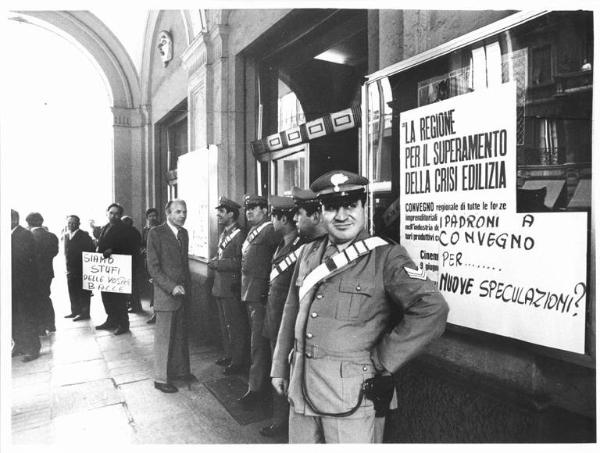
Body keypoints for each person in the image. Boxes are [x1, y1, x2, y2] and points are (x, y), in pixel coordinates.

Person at [271, 170, 449, 443]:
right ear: (321, 212)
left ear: (364, 206)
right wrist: (279, 368)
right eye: (331, 208)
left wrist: (383, 360)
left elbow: (432, 309)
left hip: (351, 395)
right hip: (301, 388)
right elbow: (290, 309)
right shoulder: (308, 252)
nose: (341, 216)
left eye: (350, 205)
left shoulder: (386, 257)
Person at [259, 195, 304, 438]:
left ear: (284, 219)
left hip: (284, 322)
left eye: (274, 215)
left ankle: (281, 423)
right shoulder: (282, 244)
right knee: (278, 372)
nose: (271, 220)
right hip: (274, 317)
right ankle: (280, 419)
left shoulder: (299, 248)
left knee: (284, 373)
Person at [237, 194, 280, 408]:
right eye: (248, 208)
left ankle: (256, 389)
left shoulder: (270, 230)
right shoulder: (253, 231)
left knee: (258, 345)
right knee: (256, 344)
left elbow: (277, 260)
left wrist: (266, 289)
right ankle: (257, 385)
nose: (249, 211)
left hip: (260, 296)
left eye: (254, 208)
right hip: (250, 295)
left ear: (265, 210)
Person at [146, 199, 192, 393]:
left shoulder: (183, 233)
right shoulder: (155, 233)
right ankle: (161, 378)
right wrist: (172, 287)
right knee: (164, 339)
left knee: (180, 336)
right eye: (178, 212)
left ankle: (180, 371)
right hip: (166, 294)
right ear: (168, 213)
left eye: (184, 212)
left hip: (182, 294)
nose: (182, 215)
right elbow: (153, 269)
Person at [208, 196, 249, 375]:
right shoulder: (225, 232)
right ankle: (229, 354)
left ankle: (238, 361)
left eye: (221, 211)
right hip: (220, 287)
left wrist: (218, 264)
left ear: (231, 214)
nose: (218, 214)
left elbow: (241, 262)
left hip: (231, 287)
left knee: (235, 326)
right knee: (226, 325)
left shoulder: (240, 234)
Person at [95, 203, 138, 335]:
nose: (113, 215)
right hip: (106, 268)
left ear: (120, 215)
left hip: (118, 268)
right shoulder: (105, 227)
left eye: (116, 213)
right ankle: (111, 319)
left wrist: (113, 250)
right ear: (107, 213)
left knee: (118, 298)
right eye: (111, 213)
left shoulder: (125, 229)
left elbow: (131, 246)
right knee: (106, 296)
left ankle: (123, 324)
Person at [11, 209, 41, 362]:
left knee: (27, 316)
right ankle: (19, 344)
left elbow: (24, 259)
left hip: (23, 284)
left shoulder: (24, 235)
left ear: (14, 220)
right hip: (10, 284)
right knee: (12, 315)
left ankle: (33, 348)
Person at [26, 212, 59, 335]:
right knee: (45, 296)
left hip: (33, 274)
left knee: (37, 299)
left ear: (28, 223)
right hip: (47, 272)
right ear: (41, 221)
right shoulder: (52, 236)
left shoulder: (29, 236)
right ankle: (51, 324)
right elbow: (54, 252)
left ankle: (41, 327)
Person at [64, 215, 95, 321]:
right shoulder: (67, 236)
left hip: (81, 269)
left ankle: (84, 313)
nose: (71, 225)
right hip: (70, 269)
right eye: (69, 223)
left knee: (83, 292)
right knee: (72, 290)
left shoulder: (84, 236)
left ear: (78, 224)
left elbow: (90, 251)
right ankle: (75, 311)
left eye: (73, 223)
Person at [122, 215, 143, 313]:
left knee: (132, 286)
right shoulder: (134, 232)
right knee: (131, 285)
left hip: (131, 262)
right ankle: (133, 305)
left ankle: (135, 306)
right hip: (132, 261)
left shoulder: (130, 233)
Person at [142, 208, 160, 324]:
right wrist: (143, 249)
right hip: (148, 262)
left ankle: (157, 313)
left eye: (154, 216)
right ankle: (155, 312)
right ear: (147, 218)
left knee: (157, 288)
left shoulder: (160, 229)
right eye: (150, 216)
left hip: (157, 262)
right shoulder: (145, 229)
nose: (152, 218)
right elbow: (143, 243)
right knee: (151, 287)